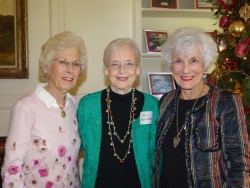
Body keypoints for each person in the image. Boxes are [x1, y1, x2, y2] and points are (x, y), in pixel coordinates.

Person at [153, 27, 250, 187]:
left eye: (193, 60)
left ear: (205, 64)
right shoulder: (167, 100)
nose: (185, 69)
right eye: (178, 61)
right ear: (171, 65)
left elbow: (240, 165)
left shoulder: (226, 102)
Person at [1, 31, 87, 188]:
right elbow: (11, 170)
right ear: (47, 67)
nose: (70, 69)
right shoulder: (25, 108)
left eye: (75, 63)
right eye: (63, 62)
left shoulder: (77, 105)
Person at [77, 37, 159, 188]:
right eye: (115, 64)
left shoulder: (152, 105)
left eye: (129, 64)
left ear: (137, 68)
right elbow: (71, 147)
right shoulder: (87, 106)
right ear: (106, 69)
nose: (122, 70)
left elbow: (159, 151)